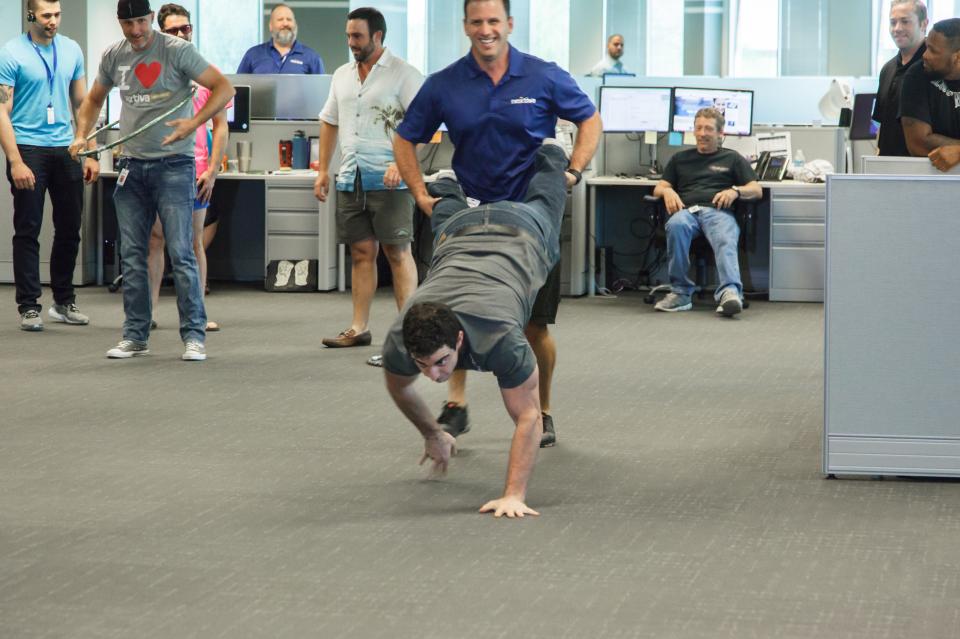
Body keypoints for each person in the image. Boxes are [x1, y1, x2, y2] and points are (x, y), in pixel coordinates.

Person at [393, 0, 601, 448]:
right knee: (456, 312)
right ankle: (457, 404)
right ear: (465, 26)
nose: (485, 30)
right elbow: (405, 136)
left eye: (493, 21)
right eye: (476, 22)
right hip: (469, 218)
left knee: (534, 328)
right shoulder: (445, 83)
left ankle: (542, 411)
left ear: (509, 24)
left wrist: (574, 170)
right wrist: (419, 194)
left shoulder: (542, 75)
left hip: (532, 220)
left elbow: (589, 117)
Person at [383, 143, 569, 519]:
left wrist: (513, 495)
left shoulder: (501, 337)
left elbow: (530, 416)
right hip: (459, 230)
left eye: (440, 363)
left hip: (524, 230)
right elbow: (399, 385)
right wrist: (433, 433)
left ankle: (550, 151)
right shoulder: (402, 336)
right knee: (443, 217)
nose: (432, 376)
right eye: (422, 365)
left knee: (550, 188)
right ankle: (448, 186)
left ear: (461, 340)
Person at [68, 0, 235, 360]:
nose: (136, 31)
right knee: (132, 254)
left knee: (182, 250)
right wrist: (84, 135)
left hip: (175, 165)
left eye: (141, 22)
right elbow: (94, 99)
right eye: (128, 24)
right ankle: (136, 335)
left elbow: (224, 89)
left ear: (150, 19)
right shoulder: (114, 55)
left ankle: (194, 336)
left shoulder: (177, 50)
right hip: (132, 166)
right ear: (120, 23)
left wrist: (193, 123)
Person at [314, 7, 422, 354]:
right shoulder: (342, 75)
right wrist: (322, 170)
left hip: (391, 178)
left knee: (397, 252)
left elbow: (425, 124)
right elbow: (330, 120)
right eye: (348, 36)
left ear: (377, 36)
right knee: (361, 253)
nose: (351, 43)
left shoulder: (404, 74)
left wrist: (401, 162)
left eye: (357, 36)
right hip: (351, 176)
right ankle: (359, 328)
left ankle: (410, 336)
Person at [0, 0, 99, 332]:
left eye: (57, 14)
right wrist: (14, 160)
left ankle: (63, 301)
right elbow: (2, 110)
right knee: (28, 229)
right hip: (28, 147)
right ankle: (29, 306)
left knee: (70, 228)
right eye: (46, 15)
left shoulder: (71, 50)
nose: (53, 21)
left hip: (66, 147)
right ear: (31, 15)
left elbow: (82, 103)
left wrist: (92, 150)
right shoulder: (11, 52)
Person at [147, 2, 229, 333]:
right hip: (158, 164)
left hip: (195, 168)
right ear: (162, 34)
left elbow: (220, 126)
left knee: (194, 242)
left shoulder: (207, 74)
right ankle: (149, 311)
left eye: (186, 29)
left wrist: (213, 169)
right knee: (156, 238)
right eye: (173, 31)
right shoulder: (152, 70)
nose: (181, 35)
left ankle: (198, 311)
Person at [652, 107, 762, 317]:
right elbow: (659, 187)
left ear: (721, 134)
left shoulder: (732, 158)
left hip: (717, 211)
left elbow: (756, 190)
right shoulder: (679, 159)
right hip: (686, 211)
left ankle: (730, 293)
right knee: (676, 225)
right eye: (699, 128)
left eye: (709, 129)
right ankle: (681, 293)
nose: (702, 133)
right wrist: (667, 192)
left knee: (724, 236)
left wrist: (735, 191)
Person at [901, 18, 960, 172]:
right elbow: (918, 144)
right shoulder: (916, 75)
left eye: (933, 51)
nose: (925, 55)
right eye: (927, 47)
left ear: (957, 57)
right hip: (931, 178)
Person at [874, 0, 928, 156]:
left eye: (905, 21)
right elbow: (883, 125)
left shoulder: (934, 68)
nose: (897, 28)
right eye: (893, 22)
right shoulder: (888, 69)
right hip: (888, 168)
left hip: (926, 169)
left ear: (924, 24)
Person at [236, 4, 324, 75]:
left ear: (296, 25)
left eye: (289, 19)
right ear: (270, 26)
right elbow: (239, 90)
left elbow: (321, 93)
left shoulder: (312, 58)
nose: (285, 23)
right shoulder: (252, 55)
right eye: (280, 19)